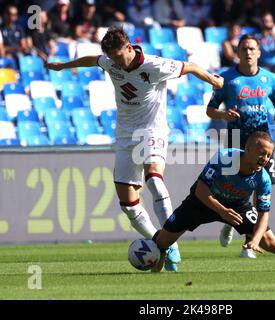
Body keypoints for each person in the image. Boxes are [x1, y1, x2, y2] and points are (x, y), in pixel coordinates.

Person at [45, 27, 224, 272]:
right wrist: (63, 66)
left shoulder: (154, 65)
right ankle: (161, 243)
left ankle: (169, 237)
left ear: (129, 47)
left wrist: (214, 81)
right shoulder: (109, 61)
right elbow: (92, 61)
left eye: (120, 56)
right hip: (124, 135)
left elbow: (189, 66)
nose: (117, 62)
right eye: (113, 58)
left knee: (153, 178)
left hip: (152, 130)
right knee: (128, 205)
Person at [152, 131, 275, 272]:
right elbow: (201, 189)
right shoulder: (224, 158)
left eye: (269, 156)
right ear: (248, 149)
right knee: (161, 242)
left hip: (238, 207)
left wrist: (255, 240)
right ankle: (162, 252)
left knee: (272, 243)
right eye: (262, 153)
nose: (265, 159)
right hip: (202, 202)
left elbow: (263, 214)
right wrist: (221, 210)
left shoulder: (263, 179)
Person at [206, 34, 275, 258]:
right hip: (235, 141)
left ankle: (249, 240)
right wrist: (223, 114)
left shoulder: (269, 78)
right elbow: (210, 109)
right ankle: (232, 222)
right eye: (244, 49)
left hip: (262, 143)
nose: (248, 52)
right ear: (238, 52)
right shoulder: (227, 79)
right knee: (233, 185)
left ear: (259, 52)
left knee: (261, 188)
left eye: (252, 48)